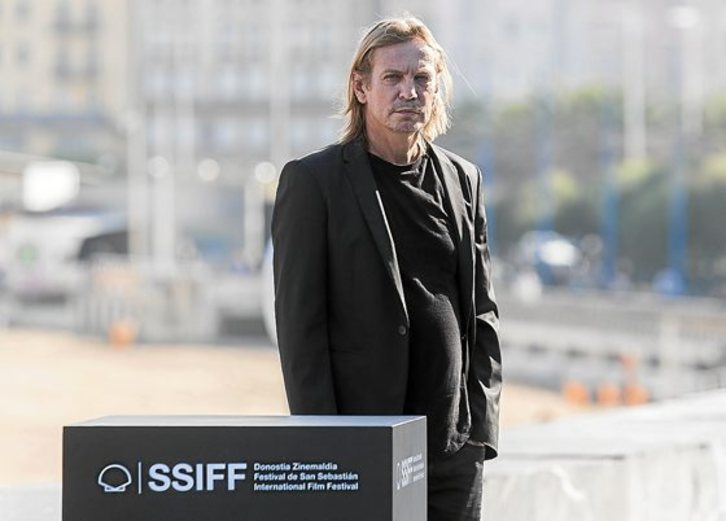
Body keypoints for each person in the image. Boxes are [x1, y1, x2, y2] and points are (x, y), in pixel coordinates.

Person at [272, 15, 502, 521]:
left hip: (453, 451)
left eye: (422, 78)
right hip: (363, 447)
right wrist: (326, 449)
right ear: (361, 87)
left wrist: (480, 433)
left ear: (437, 87)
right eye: (393, 78)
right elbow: (299, 328)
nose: (408, 91)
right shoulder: (313, 182)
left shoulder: (463, 179)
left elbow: (482, 312)